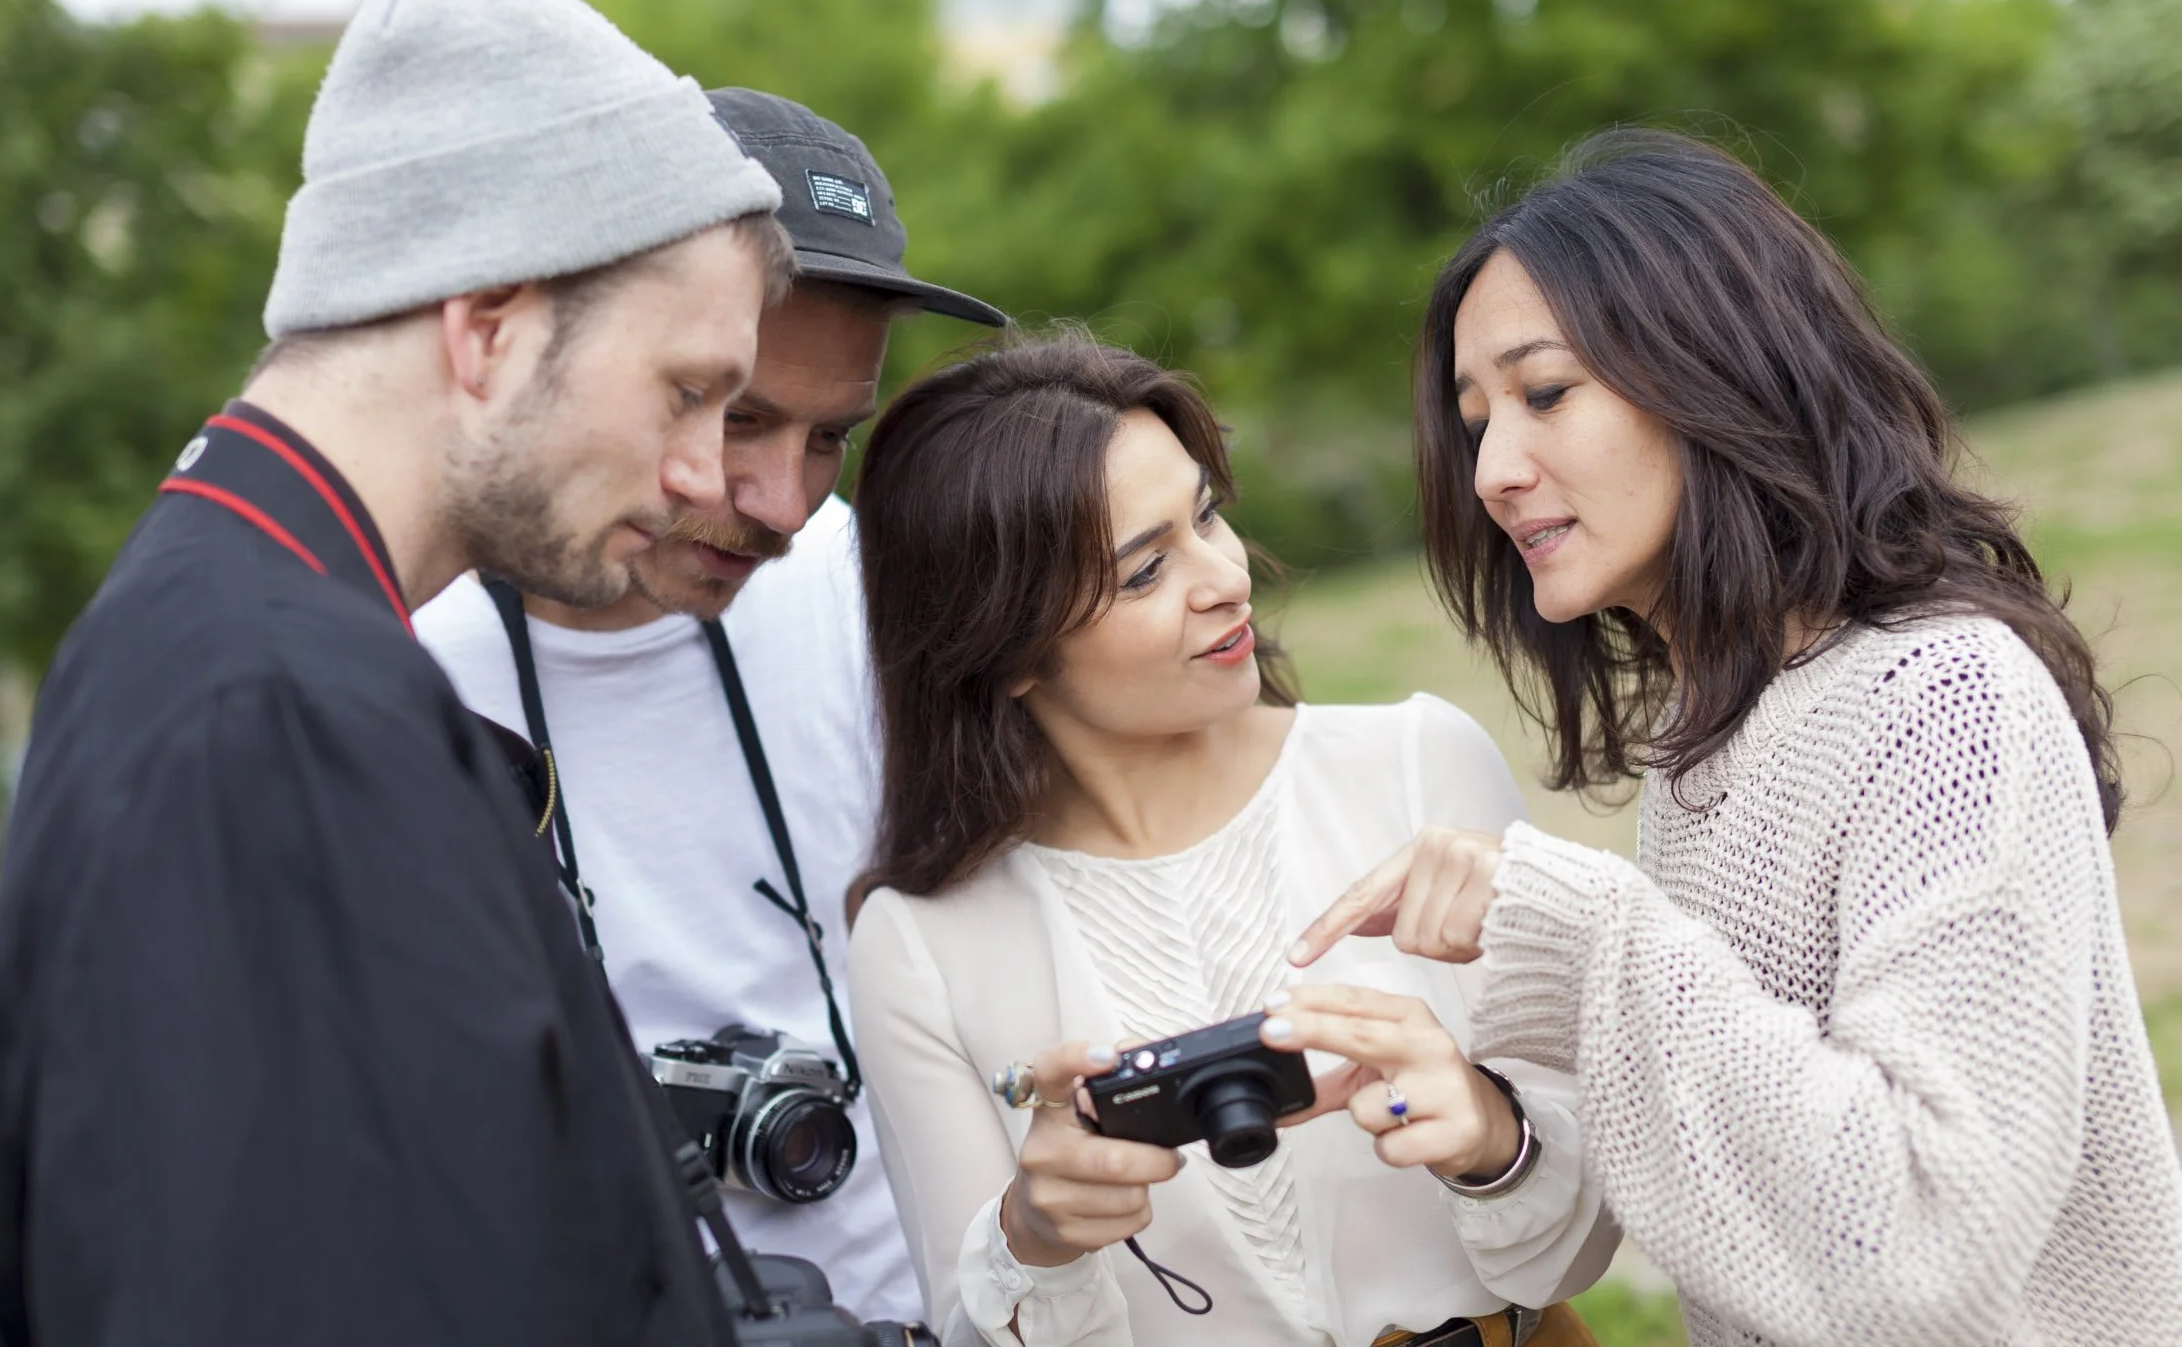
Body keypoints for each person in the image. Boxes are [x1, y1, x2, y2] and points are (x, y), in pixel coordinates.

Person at [0, 0, 791, 1347]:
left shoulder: (233, 637)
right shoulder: (273, 719)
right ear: (489, 327)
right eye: (686, 390)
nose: (709, 474)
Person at [1291, 129, 2182, 1344]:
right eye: (1475, 419)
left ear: (1718, 372)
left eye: (1546, 392)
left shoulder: (1944, 695)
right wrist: (1491, 1121)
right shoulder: (1708, 733)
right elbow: (1760, 1190)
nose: (1495, 469)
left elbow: (1930, 1237)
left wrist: (1589, 932)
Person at [845, 331, 1618, 1346]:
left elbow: (1590, 1238)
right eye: (1144, 570)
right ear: (1006, 647)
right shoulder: (919, 943)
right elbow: (973, 1323)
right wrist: (1036, 1236)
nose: (1225, 576)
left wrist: (1487, 1135)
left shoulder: (1420, 766)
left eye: (1206, 514)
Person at [413, 87, 1005, 1323]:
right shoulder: (405, 677)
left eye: (832, 436)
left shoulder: (869, 579)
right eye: (741, 417)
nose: (784, 504)